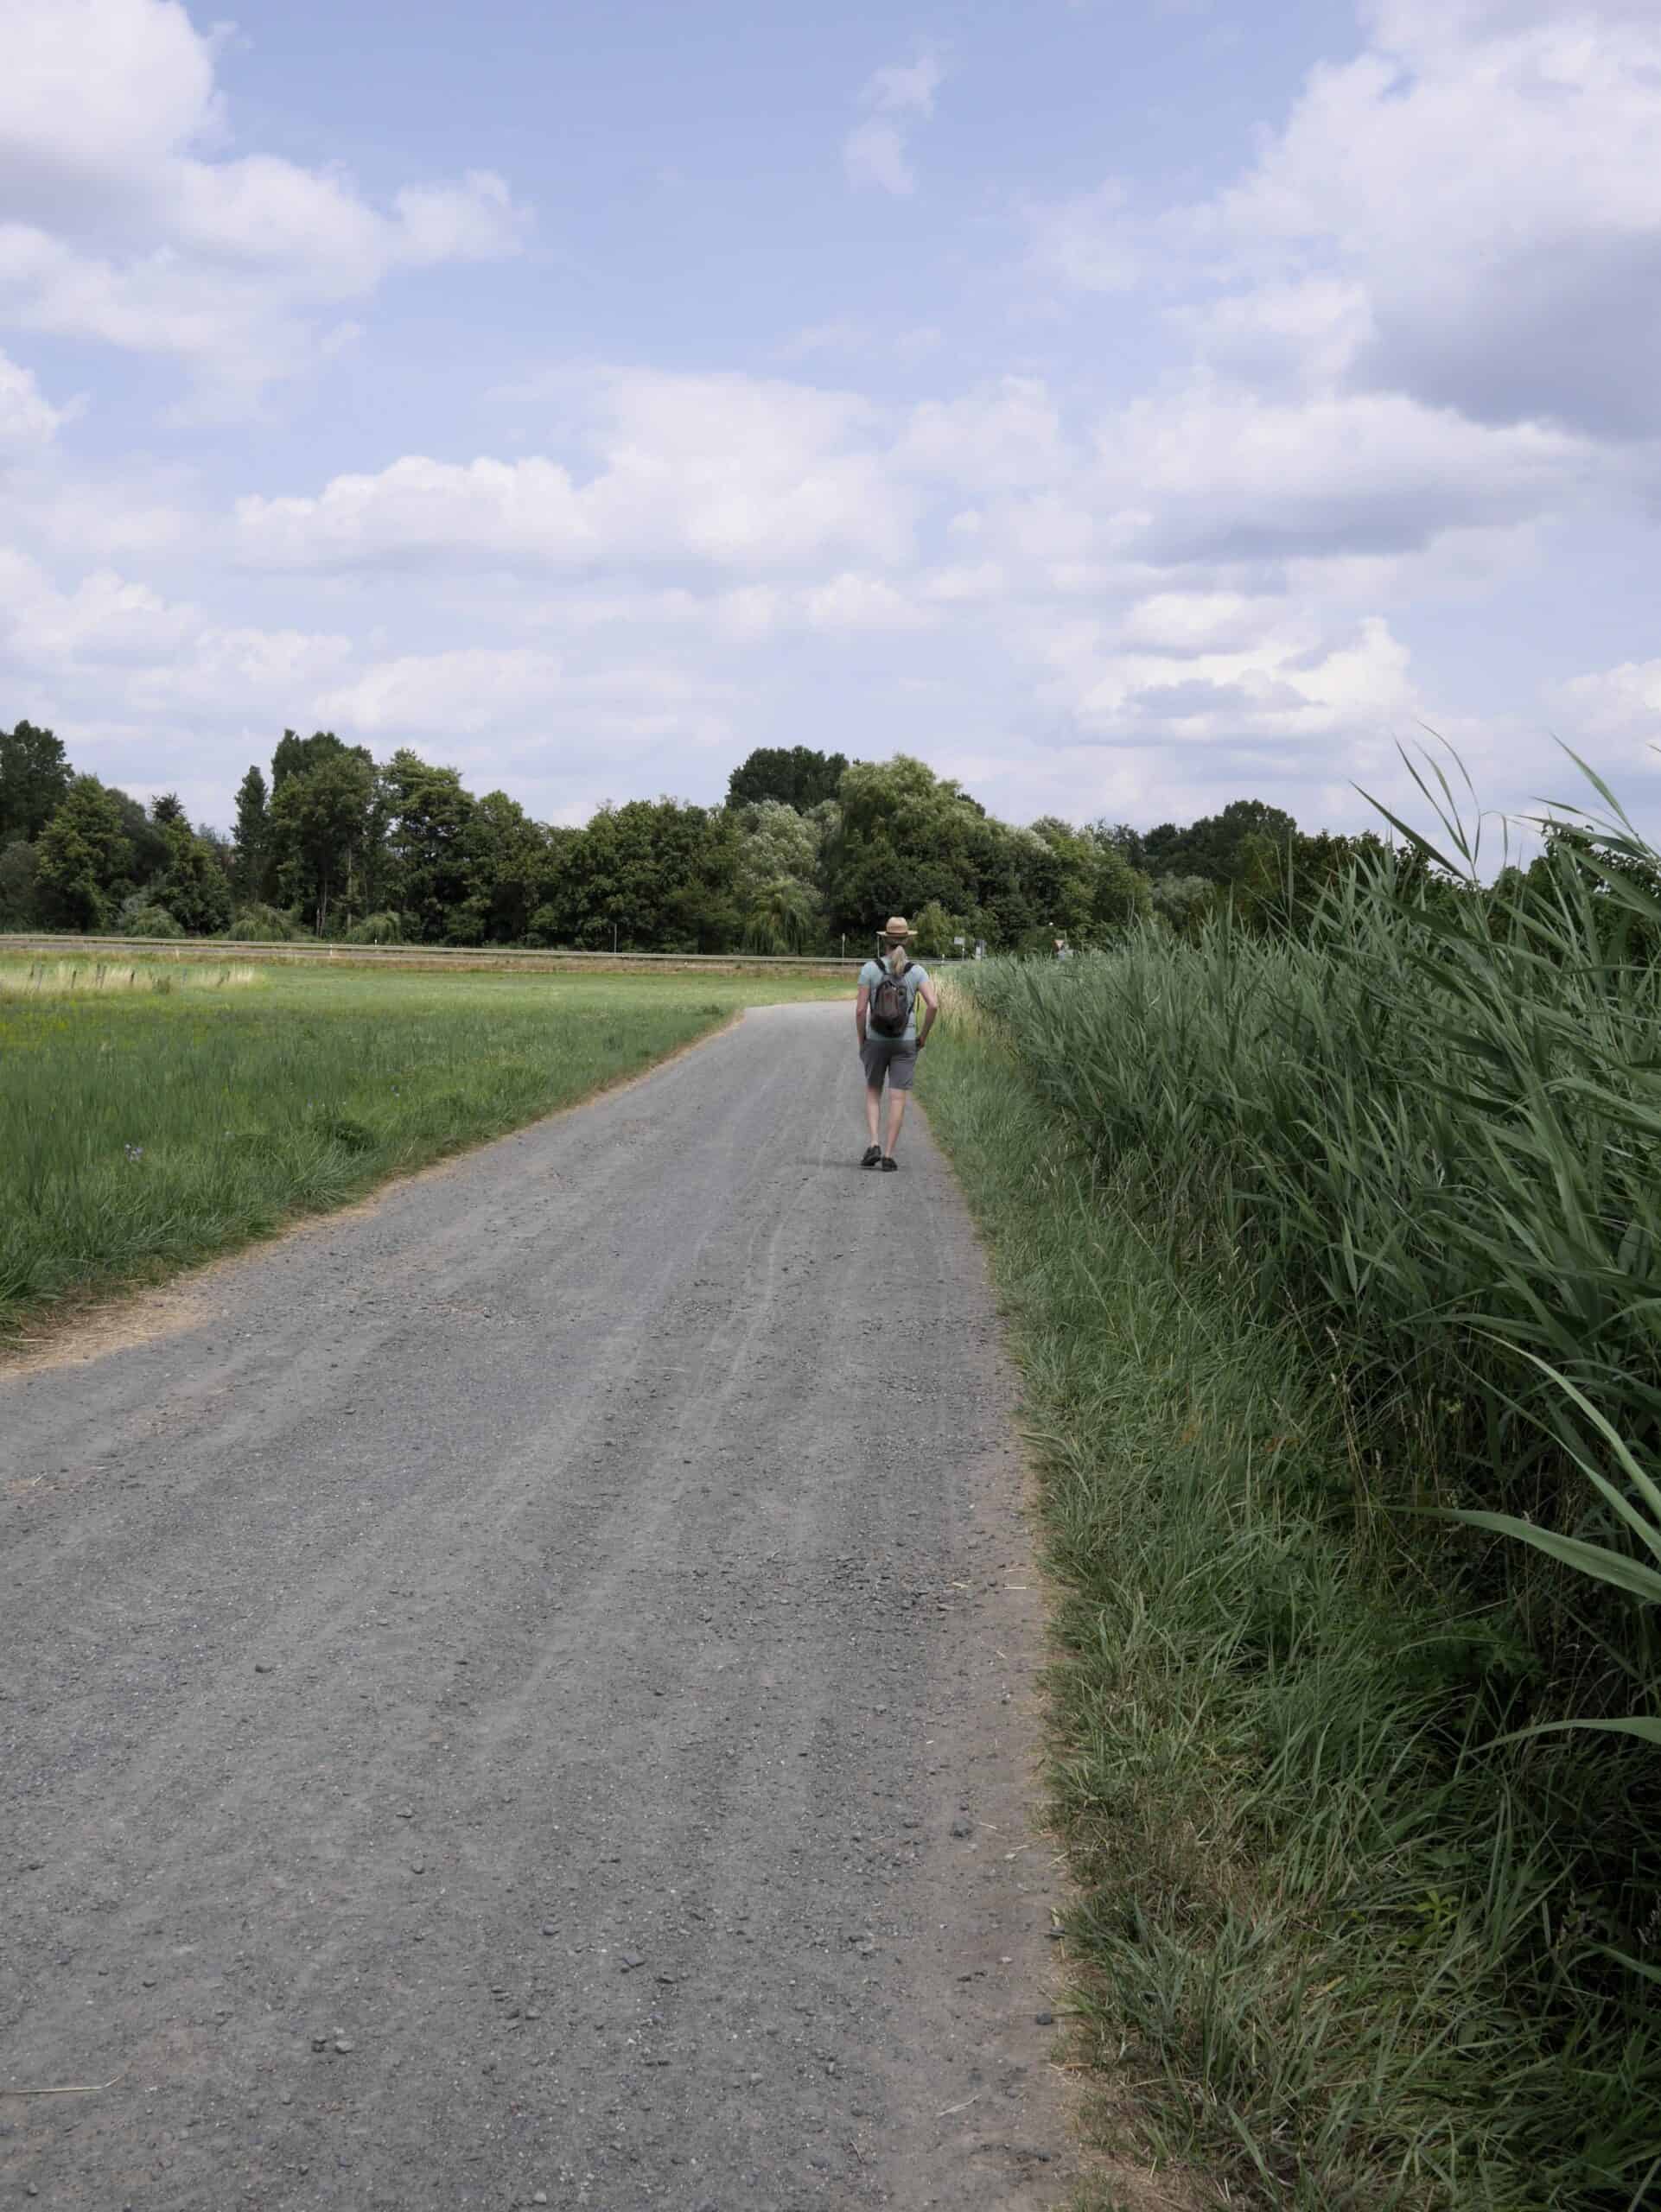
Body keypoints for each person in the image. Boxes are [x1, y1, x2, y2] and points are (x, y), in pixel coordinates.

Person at [855, 915, 939, 1172]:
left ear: (885, 941)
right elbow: (934, 1005)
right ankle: (889, 1155)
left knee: (873, 1092)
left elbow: (860, 1011)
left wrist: (863, 1040)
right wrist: (922, 1036)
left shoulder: (870, 969)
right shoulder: (916, 971)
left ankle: (874, 1144)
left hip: (876, 1040)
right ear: (906, 941)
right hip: (905, 1042)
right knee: (898, 1098)